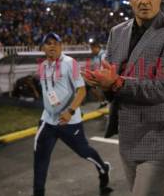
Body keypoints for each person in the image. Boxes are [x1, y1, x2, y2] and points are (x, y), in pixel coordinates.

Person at [83, 0, 164, 196]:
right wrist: (100, 84)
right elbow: (110, 86)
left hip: (161, 136)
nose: (145, 0)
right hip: (128, 136)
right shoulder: (117, 32)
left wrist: (117, 83)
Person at [33, 32, 112, 196]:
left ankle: (103, 168)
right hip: (48, 121)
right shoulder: (42, 67)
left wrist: (69, 111)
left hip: (69, 121)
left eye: (56, 42)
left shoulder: (71, 63)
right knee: (40, 160)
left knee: (84, 152)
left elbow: (81, 91)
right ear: (43, 48)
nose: (52, 45)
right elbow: (48, 92)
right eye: (48, 43)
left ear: (61, 46)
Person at [87, 41, 108, 109]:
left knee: (93, 88)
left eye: (92, 49)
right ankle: (103, 102)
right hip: (98, 75)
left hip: (103, 76)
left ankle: (104, 102)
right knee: (93, 88)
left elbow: (103, 66)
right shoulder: (96, 56)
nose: (91, 51)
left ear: (96, 48)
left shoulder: (103, 55)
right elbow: (94, 66)